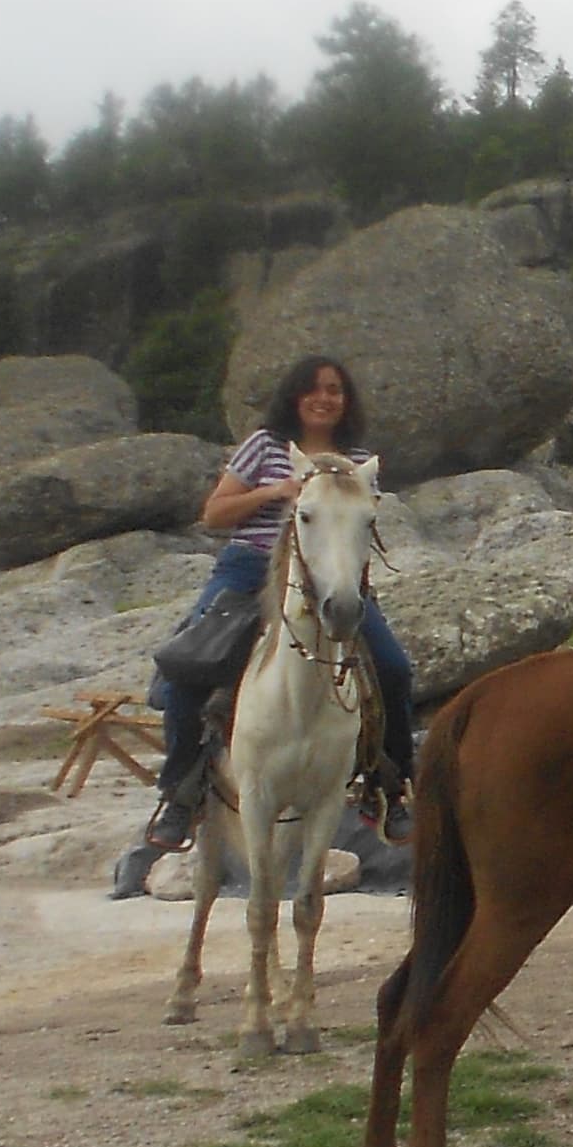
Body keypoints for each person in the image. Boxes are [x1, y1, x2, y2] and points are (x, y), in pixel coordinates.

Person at [144, 357, 419, 853]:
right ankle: (180, 794)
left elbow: (357, 533)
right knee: (187, 668)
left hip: (330, 578)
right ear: (295, 397)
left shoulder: (357, 460)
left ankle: (389, 787)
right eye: (313, 389)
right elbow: (215, 513)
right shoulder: (265, 446)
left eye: (334, 390)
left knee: (394, 670)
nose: (324, 398)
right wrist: (277, 491)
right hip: (249, 570)